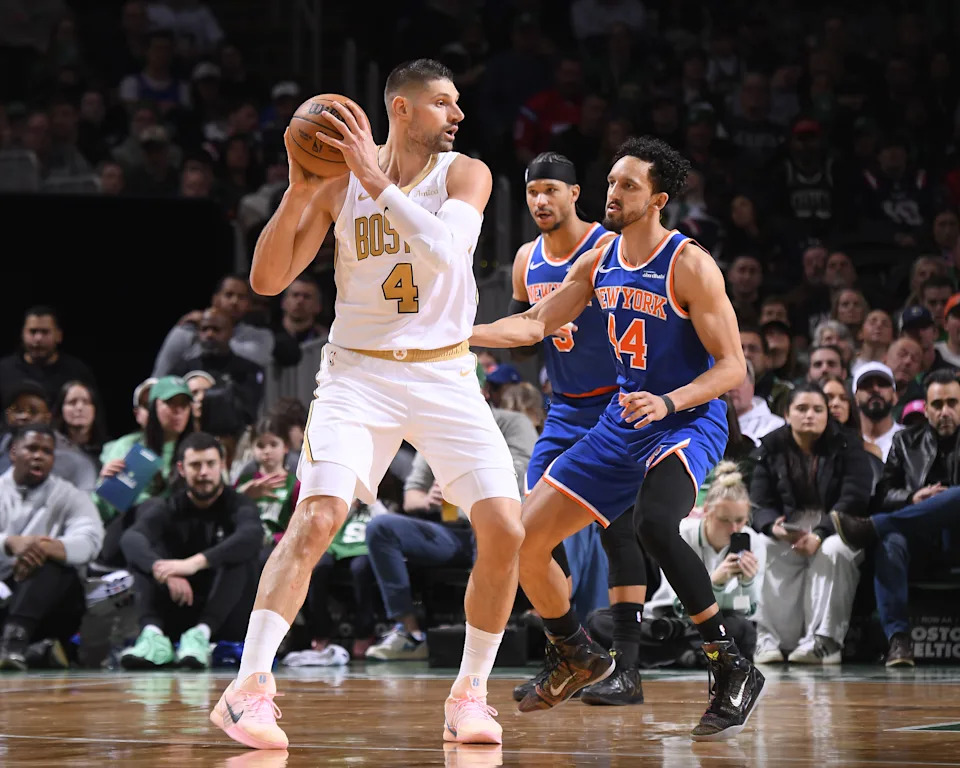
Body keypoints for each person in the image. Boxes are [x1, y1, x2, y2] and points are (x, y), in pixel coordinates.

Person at [210, 59, 524, 750]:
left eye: (459, 103)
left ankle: (468, 694)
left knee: (505, 527)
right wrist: (299, 191)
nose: (458, 115)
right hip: (359, 375)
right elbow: (266, 278)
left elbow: (446, 251)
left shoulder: (465, 174)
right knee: (318, 515)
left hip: (444, 374)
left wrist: (375, 182)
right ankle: (249, 689)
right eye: (444, 103)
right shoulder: (338, 184)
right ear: (403, 110)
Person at [471, 136, 764, 740]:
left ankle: (727, 661)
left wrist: (671, 400)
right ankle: (575, 651)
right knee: (522, 538)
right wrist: (453, 334)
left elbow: (733, 368)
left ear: (657, 199)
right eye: (611, 182)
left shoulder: (689, 263)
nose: (614, 193)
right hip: (621, 421)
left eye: (628, 185)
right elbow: (532, 322)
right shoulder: (599, 258)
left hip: (686, 418)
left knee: (653, 525)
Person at [507, 152, 648, 706]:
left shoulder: (606, 246)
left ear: (573, 193)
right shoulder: (524, 259)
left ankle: (628, 673)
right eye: (531, 192)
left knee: (619, 533)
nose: (540, 201)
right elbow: (523, 335)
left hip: (615, 405)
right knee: (528, 534)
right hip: (562, 409)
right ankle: (571, 656)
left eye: (550, 190)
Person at [833, 370, 960, 666]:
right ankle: (898, 640)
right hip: (920, 540)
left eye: (952, 403)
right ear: (925, 409)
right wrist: (912, 498)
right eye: (937, 404)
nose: (945, 411)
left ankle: (873, 528)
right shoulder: (905, 441)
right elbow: (884, 494)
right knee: (890, 542)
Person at [749, 384, 871, 665]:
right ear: (787, 413)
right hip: (790, 528)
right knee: (761, 543)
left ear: (828, 414)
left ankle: (825, 641)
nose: (809, 415)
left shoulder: (848, 443)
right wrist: (772, 527)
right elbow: (758, 502)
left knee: (834, 550)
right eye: (801, 409)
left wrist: (819, 533)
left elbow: (855, 498)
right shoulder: (770, 445)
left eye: (818, 409)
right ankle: (770, 640)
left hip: (839, 525)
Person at [0, 424, 105, 669]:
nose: (39, 456)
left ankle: (14, 642)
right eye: (32, 448)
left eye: (47, 451)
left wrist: (43, 547)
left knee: (55, 565)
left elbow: (91, 540)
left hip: (49, 602)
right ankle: (34, 652)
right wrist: (10, 544)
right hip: (5, 590)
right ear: (14, 452)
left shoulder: (69, 495)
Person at [640, 462, 765, 665]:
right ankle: (696, 655)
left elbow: (747, 611)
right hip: (674, 620)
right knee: (601, 621)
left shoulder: (754, 541)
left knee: (741, 629)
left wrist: (747, 583)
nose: (734, 529)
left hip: (723, 623)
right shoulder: (681, 534)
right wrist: (714, 582)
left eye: (741, 520)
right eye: (724, 520)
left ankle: (680, 656)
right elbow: (680, 607)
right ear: (707, 510)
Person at [0, 306, 97, 409]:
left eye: (45, 332)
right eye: (32, 331)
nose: (38, 338)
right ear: (22, 334)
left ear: (59, 335)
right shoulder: (4, 370)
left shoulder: (77, 372)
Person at [851, 362, 902, 461]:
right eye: (866, 385)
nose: (875, 389)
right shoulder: (848, 443)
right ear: (855, 398)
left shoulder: (909, 441)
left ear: (895, 396)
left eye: (883, 384)